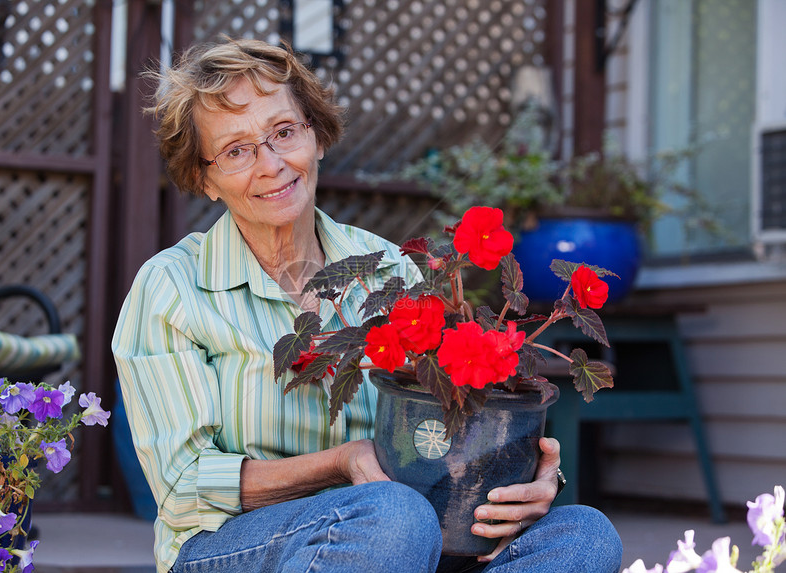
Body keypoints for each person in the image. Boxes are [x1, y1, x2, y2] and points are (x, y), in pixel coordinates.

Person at [112, 38, 622, 573]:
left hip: (397, 538)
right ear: (205, 179)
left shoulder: (387, 269)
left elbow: (445, 421)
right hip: (231, 548)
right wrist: (341, 464)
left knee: (583, 535)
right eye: (236, 150)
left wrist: (531, 478)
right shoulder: (173, 286)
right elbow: (182, 487)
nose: (271, 163)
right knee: (392, 516)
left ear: (317, 135)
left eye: (283, 132)